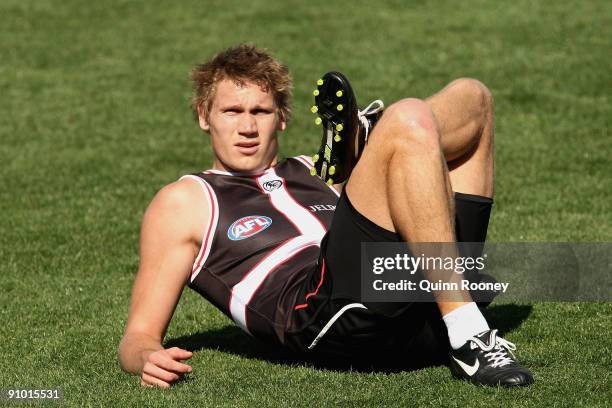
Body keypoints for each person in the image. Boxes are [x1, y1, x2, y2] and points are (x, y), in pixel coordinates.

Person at [118, 43, 533, 388]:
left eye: (260, 112)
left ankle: (367, 136)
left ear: (281, 118)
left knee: (474, 97)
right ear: (203, 116)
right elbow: (137, 336)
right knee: (408, 118)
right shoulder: (186, 201)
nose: (247, 127)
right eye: (232, 111)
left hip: (415, 315)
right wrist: (147, 357)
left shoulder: (317, 170)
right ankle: (470, 333)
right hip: (328, 318)